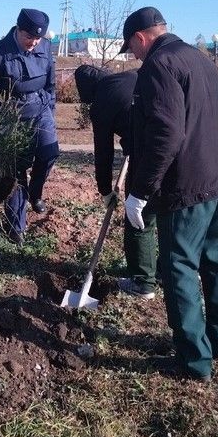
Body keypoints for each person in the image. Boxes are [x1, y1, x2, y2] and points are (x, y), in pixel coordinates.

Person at [119, 7, 218, 381]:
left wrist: (141, 192)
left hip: (190, 185)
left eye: (132, 47)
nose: (133, 55)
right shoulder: (199, 58)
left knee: (178, 267)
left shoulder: (158, 66)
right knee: (215, 261)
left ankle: (194, 361)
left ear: (141, 38)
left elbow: (166, 133)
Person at [74, 65, 159, 294]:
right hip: (167, 148)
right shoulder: (132, 75)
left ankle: (143, 282)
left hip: (144, 156)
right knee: (162, 213)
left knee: (137, 217)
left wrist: (105, 190)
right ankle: (163, 271)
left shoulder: (101, 102)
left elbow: (103, 152)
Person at [0, 8, 59, 245]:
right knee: (16, 170)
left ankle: (36, 193)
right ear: (18, 30)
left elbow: (51, 84)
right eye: (29, 37)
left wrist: (50, 112)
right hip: (13, 115)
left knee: (49, 153)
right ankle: (17, 226)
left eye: (38, 38)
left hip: (41, 109)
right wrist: (1, 117)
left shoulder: (44, 47)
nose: (34, 43)